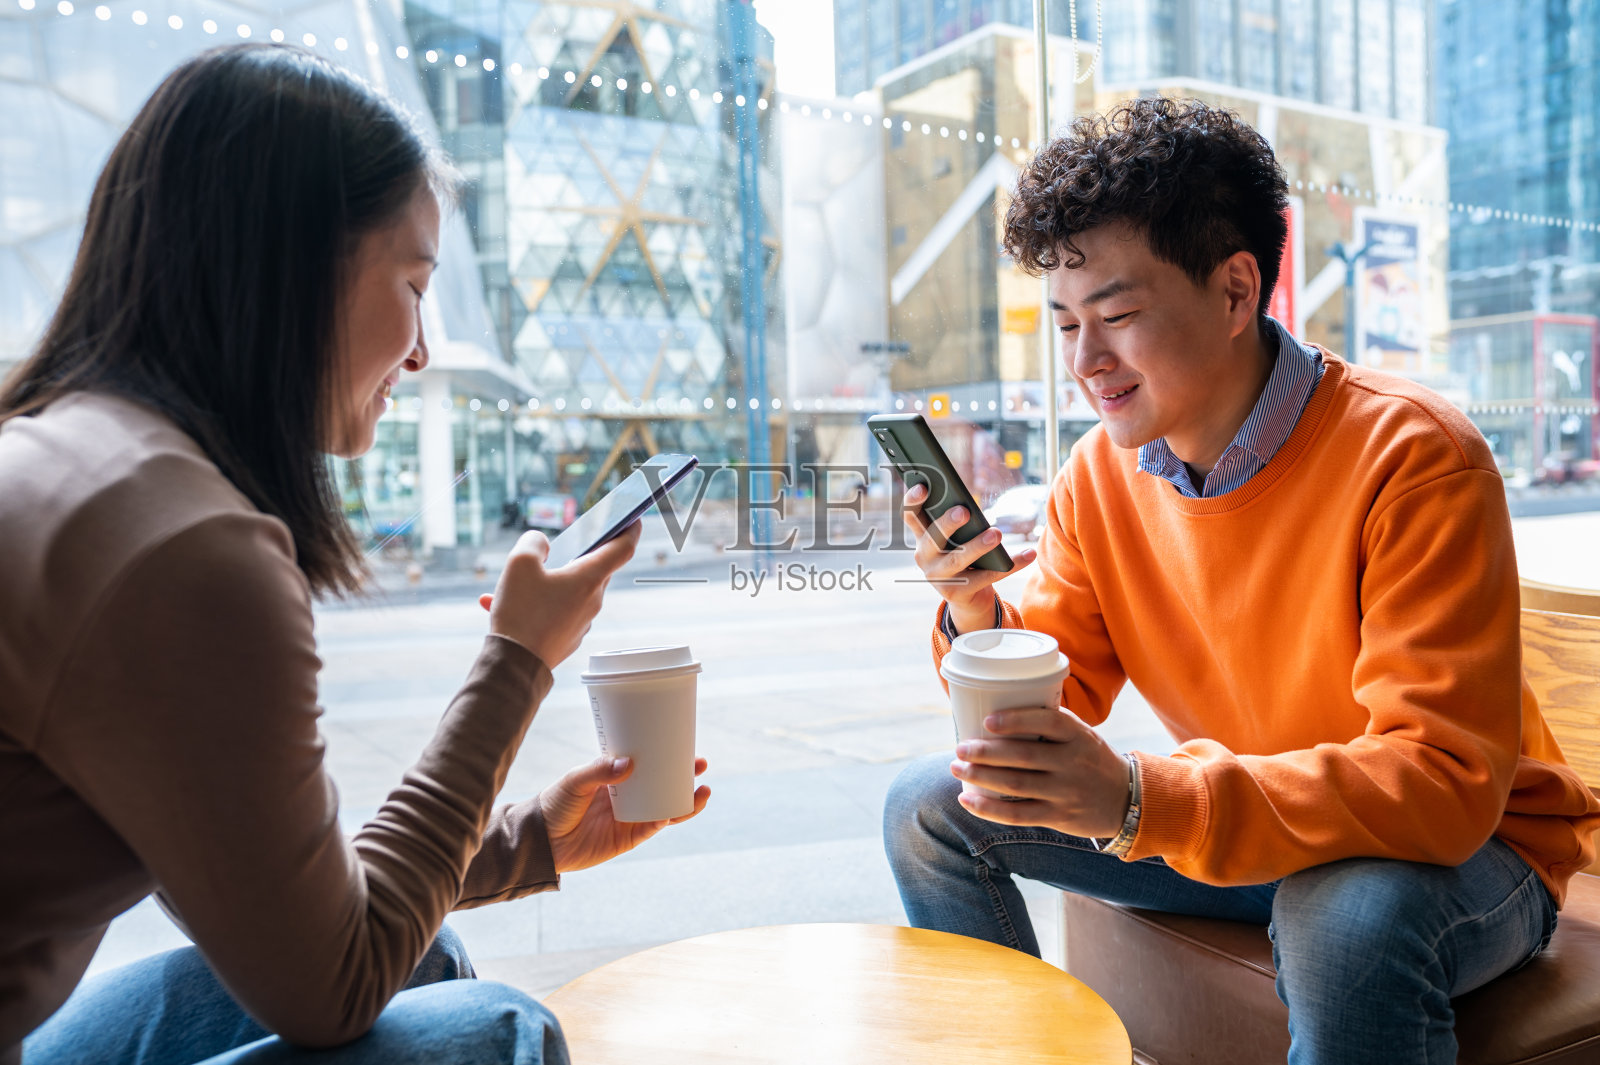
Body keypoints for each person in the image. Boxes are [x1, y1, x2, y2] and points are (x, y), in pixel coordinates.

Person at [0, 44, 709, 1065]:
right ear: (292, 267)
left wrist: (530, 843)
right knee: (499, 1032)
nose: (422, 348)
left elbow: (268, 895)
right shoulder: (183, 553)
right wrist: (517, 664)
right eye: (415, 282)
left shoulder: (83, 458)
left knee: (432, 957)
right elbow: (329, 987)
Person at [883, 97, 1600, 1064]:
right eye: (1064, 325)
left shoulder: (1412, 456)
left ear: (1234, 290)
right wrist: (976, 609)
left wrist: (1144, 801)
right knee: (931, 808)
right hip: (1267, 825)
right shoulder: (1100, 474)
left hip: (1474, 849)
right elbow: (1066, 692)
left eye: (1119, 315)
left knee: (1344, 917)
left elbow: (1440, 784)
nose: (1086, 362)